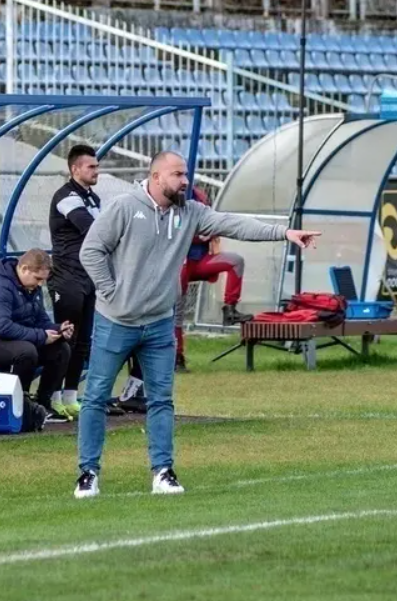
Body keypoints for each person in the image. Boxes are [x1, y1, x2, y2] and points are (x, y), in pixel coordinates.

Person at [74, 151, 320, 498]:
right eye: (178, 174)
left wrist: (284, 232)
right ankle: (88, 473)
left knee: (161, 400)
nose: (185, 181)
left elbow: (233, 224)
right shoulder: (124, 207)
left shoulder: (190, 211)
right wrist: (111, 291)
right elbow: (91, 251)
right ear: (156, 177)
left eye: (186, 174)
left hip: (159, 323)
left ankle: (163, 472)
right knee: (96, 397)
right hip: (116, 321)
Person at [0, 249, 73, 416]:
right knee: (26, 351)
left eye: (43, 280)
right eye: (38, 278)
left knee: (60, 349)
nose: (40, 284)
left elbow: (40, 320)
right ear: (24, 269)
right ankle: (21, 405)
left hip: (11, 340)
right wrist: (41, 336)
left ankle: (43, 403)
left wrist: (58, 329)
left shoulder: (31, 287)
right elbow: (0, 326)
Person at [47, 144, 102, 419]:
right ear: (75, 169)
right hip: (66, 277)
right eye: (91, 167)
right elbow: (91, 228)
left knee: (83, 341)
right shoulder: (66, 197)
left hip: (88, 277)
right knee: (65, 338)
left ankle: (71, 396)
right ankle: (52, 397)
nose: (96, 171)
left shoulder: (93, 197)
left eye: (97, 166)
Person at [173, 187, 253, 372]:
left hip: (199, 261)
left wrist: (210, 233)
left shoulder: (198, 196)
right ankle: (177, 357)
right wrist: (200, 234)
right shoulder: (169, 199)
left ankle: (230, 309)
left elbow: (211, 225)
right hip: (179, 264)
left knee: (235, 261)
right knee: (177, 313)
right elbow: (176, 231)